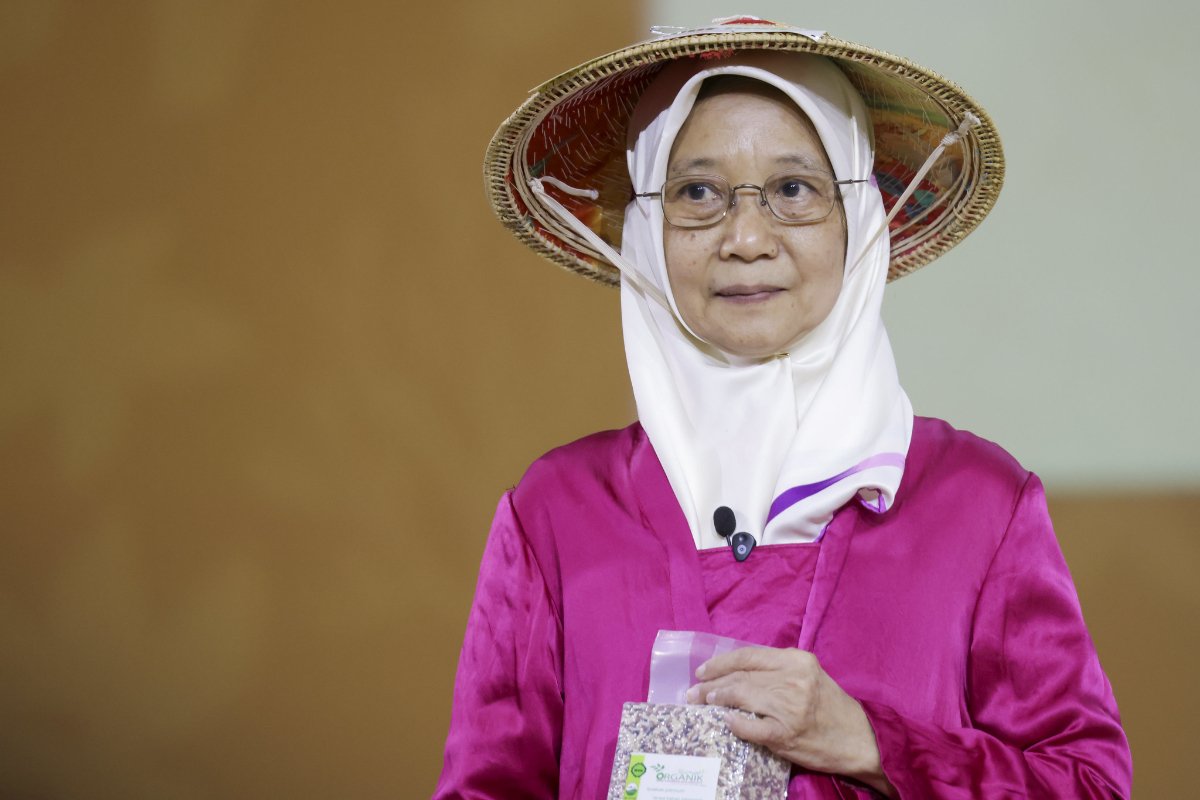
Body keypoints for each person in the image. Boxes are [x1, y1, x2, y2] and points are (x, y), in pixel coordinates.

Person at [435, 17, 1131, 799]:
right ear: (646, 230)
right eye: (697, 192)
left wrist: (874, 743)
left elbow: (1089, 784)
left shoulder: (980, 502)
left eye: (793, 190)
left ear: (859, 221)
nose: (746, 237)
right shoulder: (555, 511)